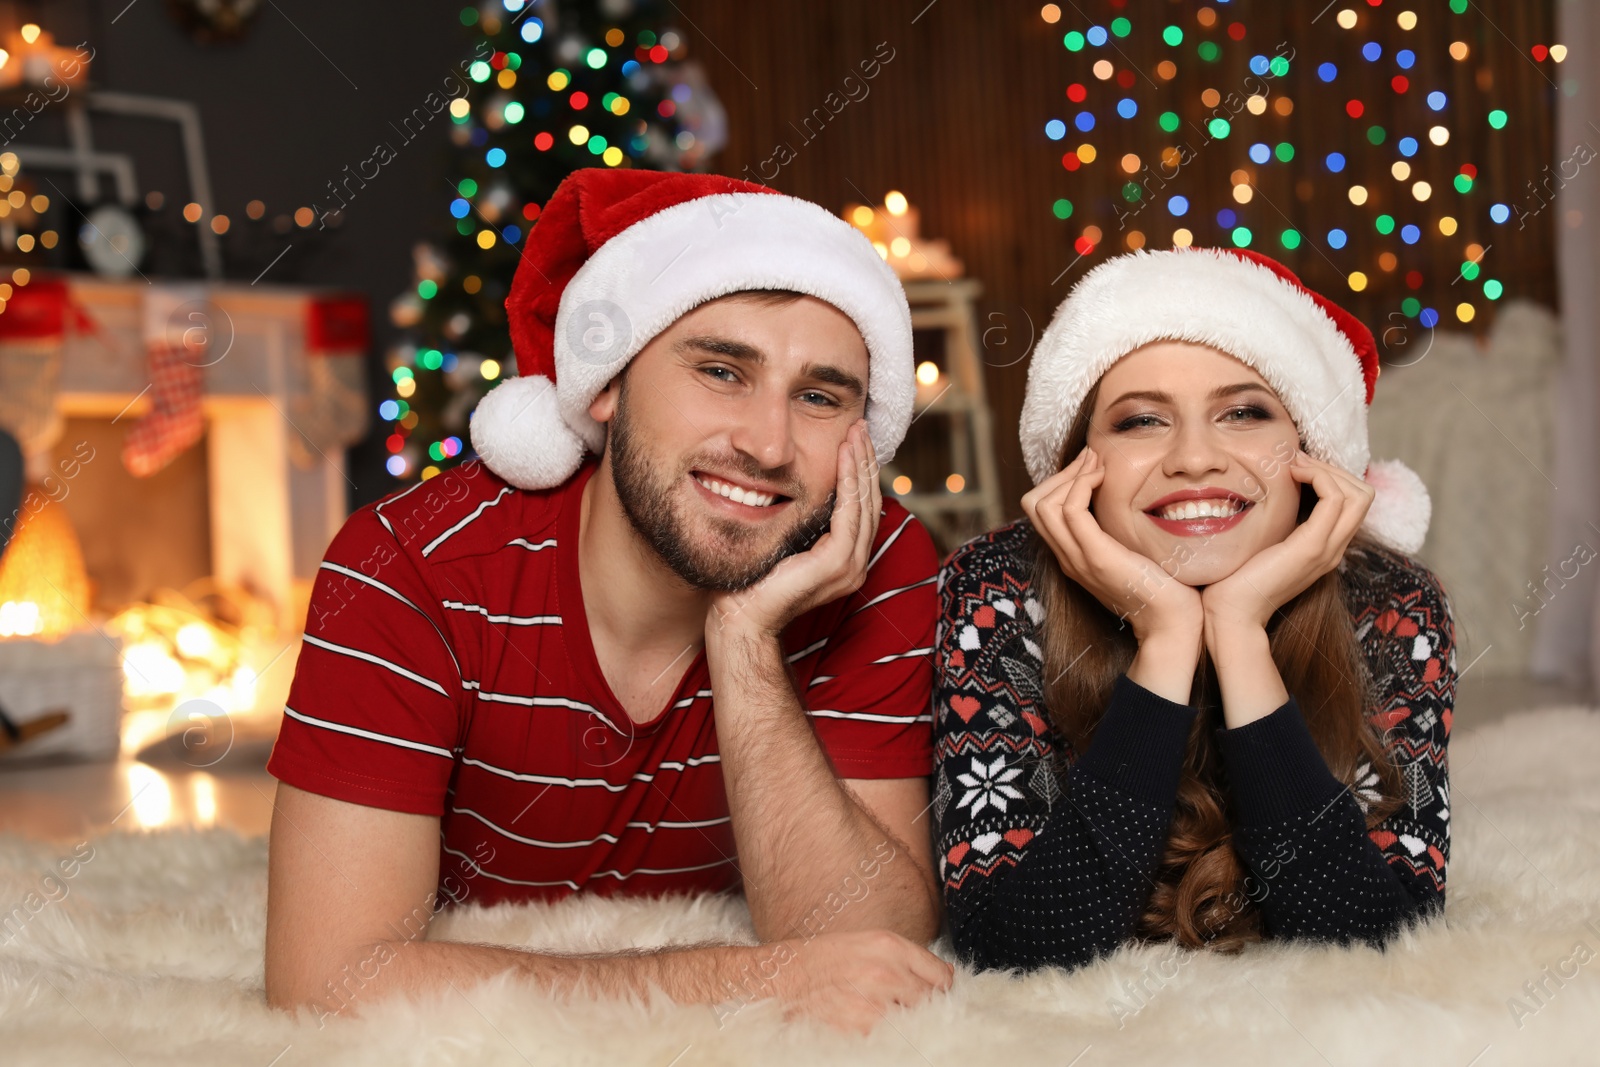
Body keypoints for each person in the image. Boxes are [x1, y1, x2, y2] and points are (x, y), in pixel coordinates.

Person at [265, 169, 952, 1031]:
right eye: (720, 370)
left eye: (818, 397)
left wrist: (741, 637)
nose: (769, 443)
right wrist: (730, 983)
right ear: (605, 383)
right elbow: (325, 979)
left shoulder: (878, 562)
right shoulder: (409, 566)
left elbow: (871, 958)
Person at [934, 247, 1454, 971]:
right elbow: (1018, 948)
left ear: (1311, 452)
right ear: (1080, 464)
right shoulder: (998, 589)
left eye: (1244, 412)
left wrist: (1239, 634)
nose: (1194, 458)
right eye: (1142, 421)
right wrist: (1167, 635)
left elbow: (1378, 944)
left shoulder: (1390, 605)